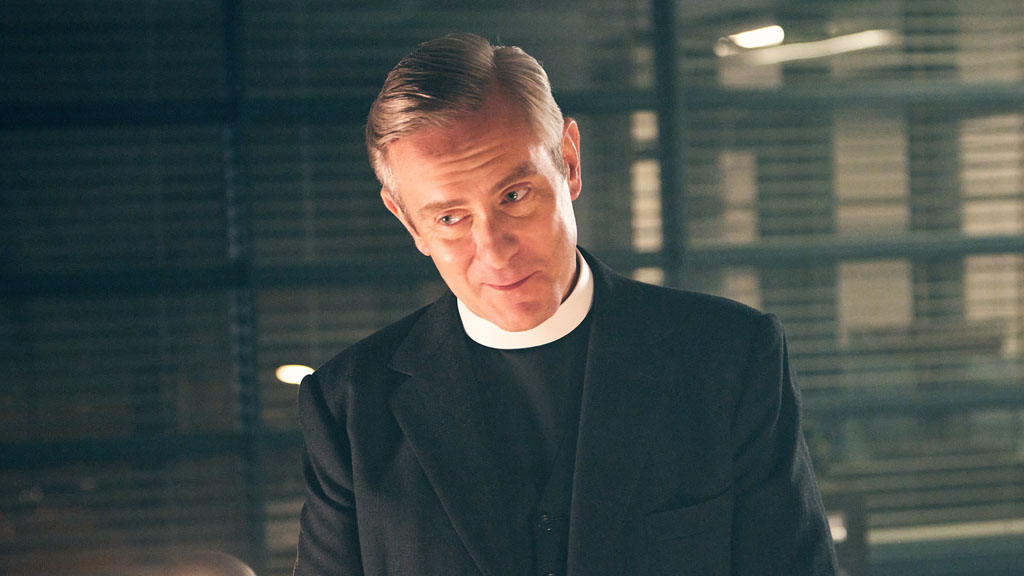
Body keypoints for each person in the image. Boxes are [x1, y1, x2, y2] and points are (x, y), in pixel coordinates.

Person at [294, 32, 839, 576]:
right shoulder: (347, 407)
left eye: (514, 196)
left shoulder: (730, 356)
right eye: (450, 218)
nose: (495, 251)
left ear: (569, 162)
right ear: (408, 221)